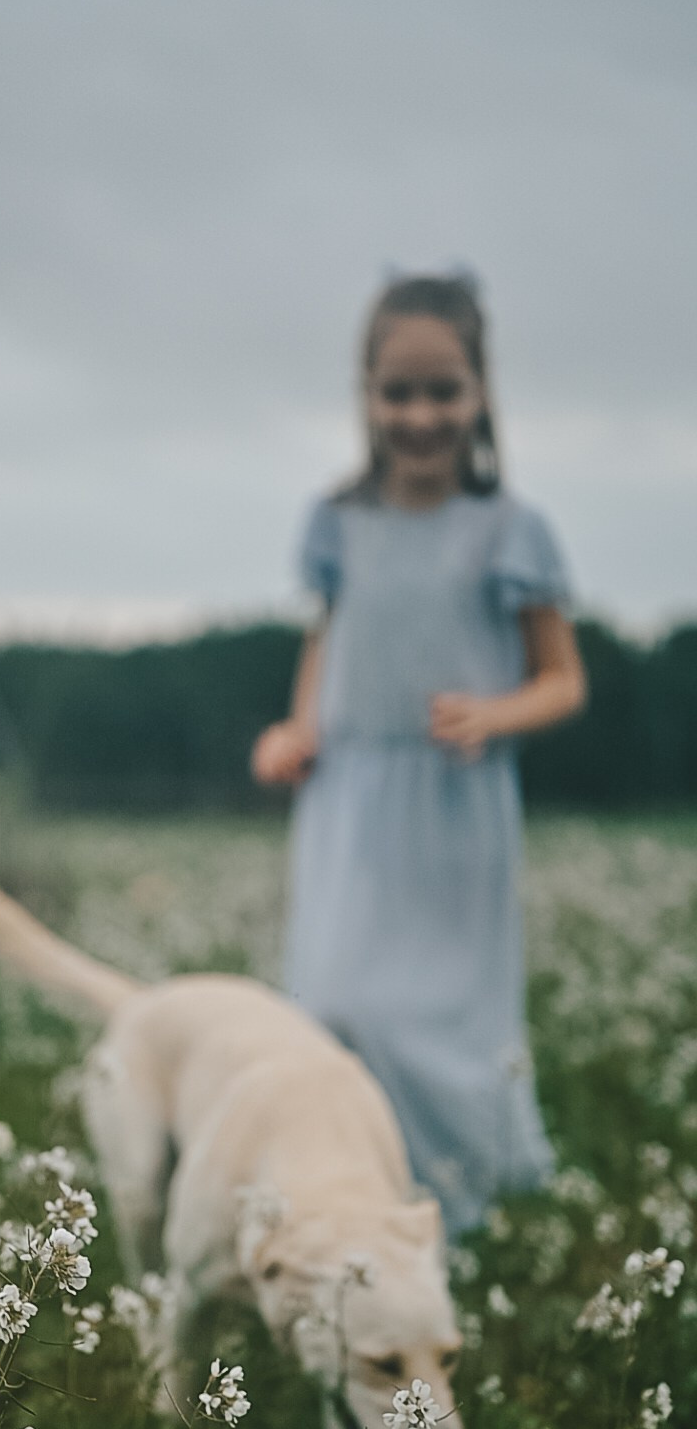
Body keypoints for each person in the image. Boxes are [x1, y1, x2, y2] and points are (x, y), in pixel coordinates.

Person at [252, 274, 586, 1236]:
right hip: (350, 801)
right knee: (333, 1004)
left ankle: (460, 1207)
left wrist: (497, 714)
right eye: (398, 391)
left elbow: (564, 679)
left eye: (444, 390)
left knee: (444, 1022)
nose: (420, 413)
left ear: (481, 393)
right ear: (365, 394)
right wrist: (298, 729)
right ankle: (355, 1196)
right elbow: (331, 637)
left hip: (454, 806)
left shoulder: (509, 531)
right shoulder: (339, 523)